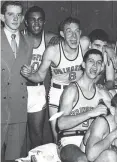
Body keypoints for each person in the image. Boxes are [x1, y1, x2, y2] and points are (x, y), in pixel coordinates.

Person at [21, 17, 90, 142]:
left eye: (76, 32)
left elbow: (101, 49)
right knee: (58, 137)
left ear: (80, 33)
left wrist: (108, 50)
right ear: (62, 34)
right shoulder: (52, 51)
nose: (73, 36)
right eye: (69, 31)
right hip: (58, 94)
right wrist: (28, 75)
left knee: (82, 134)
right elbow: (40, 76)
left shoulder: (84, 44)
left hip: (78, 92)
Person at [57, 49, 113, 162]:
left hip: (92, 140)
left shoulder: (103, 93)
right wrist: (90, 113)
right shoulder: (72, 90)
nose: (94, 66)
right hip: (70, 140)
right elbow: (61, 124)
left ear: (102, 67)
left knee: (111, 156)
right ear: (83, 64)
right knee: (82, 160)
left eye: (98, 62)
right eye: (91, 61)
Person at [22, 5, 58, 149]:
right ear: (26, 22)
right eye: (32, 20)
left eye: (39, 20)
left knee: (36, 135)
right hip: (18, 90)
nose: (36, 24)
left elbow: (74, 42)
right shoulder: (19, 37)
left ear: (44, 22)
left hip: (37, 91)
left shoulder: (49, 39)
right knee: (13, 134)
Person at [1, 1, 32, 160]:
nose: (15, 18)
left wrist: (30, 73)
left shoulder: (28, 42)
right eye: (10, 14)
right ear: (2, 16)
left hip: (19, 108)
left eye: (19, 15)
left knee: (13, 156)